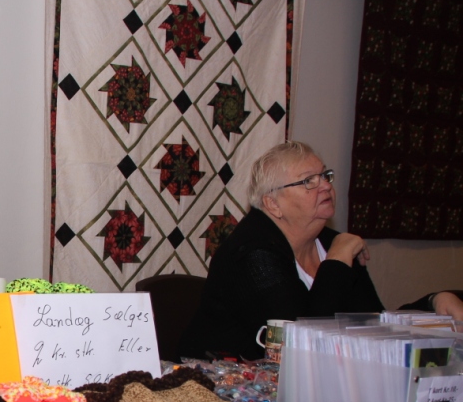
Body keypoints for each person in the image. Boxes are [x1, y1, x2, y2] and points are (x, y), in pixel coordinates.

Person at [180, 140, 463, 360]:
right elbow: (300, 344)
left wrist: (433, 303)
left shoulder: (334, 242)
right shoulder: (252, 251)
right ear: (273, 204)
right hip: (225, 389)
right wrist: (337, 261)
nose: (326, 186)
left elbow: (373, 326)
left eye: (325, 176)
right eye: (308, 181)